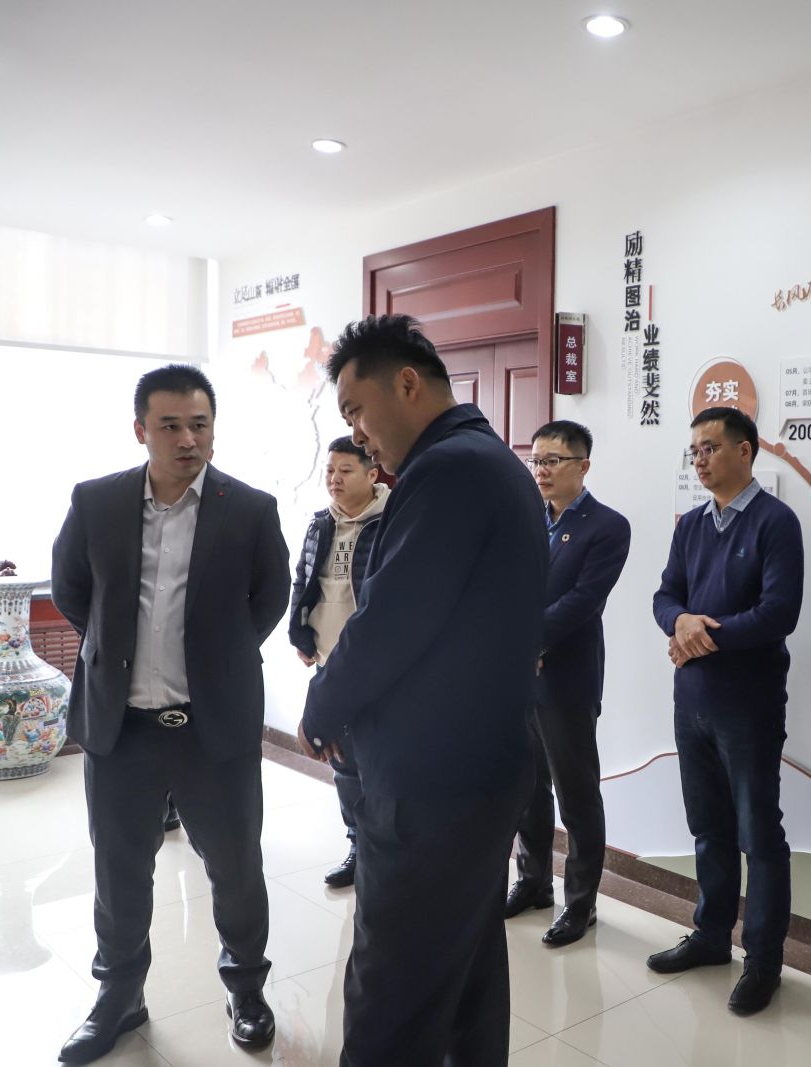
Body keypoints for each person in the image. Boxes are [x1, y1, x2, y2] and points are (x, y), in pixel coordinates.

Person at [297, 314, 546, 1066]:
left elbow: (390, 620)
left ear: (406, 383)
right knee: (466, 974)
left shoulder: (450, 470)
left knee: (393, 997)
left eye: (356, 410)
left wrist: (323, 703)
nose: (357, 433)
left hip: (431, 784)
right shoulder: (488, 460)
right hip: (475, 771)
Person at [51, 364, 290, 1063]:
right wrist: (117, 650)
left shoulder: (250, 509)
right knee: (120, 872)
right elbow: (72, 589)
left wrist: (217, 660)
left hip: (214, 730)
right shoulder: (96, 501)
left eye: (200, 424)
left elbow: (269, 600)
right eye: (171, 425)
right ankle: (119, 996)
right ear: (141, 430)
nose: (189, 439)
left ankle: (246, 989)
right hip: (122, 729)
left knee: (236, 869)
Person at [648, 405, 803, 1016]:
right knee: (708, 827)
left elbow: (779, 613)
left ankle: (763, 960)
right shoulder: (691, 525)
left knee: (759, 835)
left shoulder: (776, 522)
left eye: (710, 447)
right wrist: (679, 621)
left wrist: (700, 635)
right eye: (695, 450)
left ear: (745, 450)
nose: (700, 459)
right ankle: (712, 936)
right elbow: (665, 595)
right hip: (692, 703)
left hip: (748, 705)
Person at [507, 420, 632, 946]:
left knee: (576, 794)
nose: (541, 470)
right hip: (518, 678)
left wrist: (530, 642)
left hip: (567, 679)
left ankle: (580, 903)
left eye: (553, 460)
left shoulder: (607, 526)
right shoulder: (525, 518)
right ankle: (533, 882)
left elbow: (584, 600)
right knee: (526, 787)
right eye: (536, 460)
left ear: (583, 465)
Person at [288, 435, 390, 888]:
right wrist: (300, 631)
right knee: (342, 762)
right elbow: (303, 579)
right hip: (329, 662)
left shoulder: (390, 522)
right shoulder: (320, 524)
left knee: (379, 765)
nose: (334, 479)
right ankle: (357, 847)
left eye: (345, 470)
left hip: (376, 670)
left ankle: (384, 852)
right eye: (330, 470)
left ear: (372, 474)